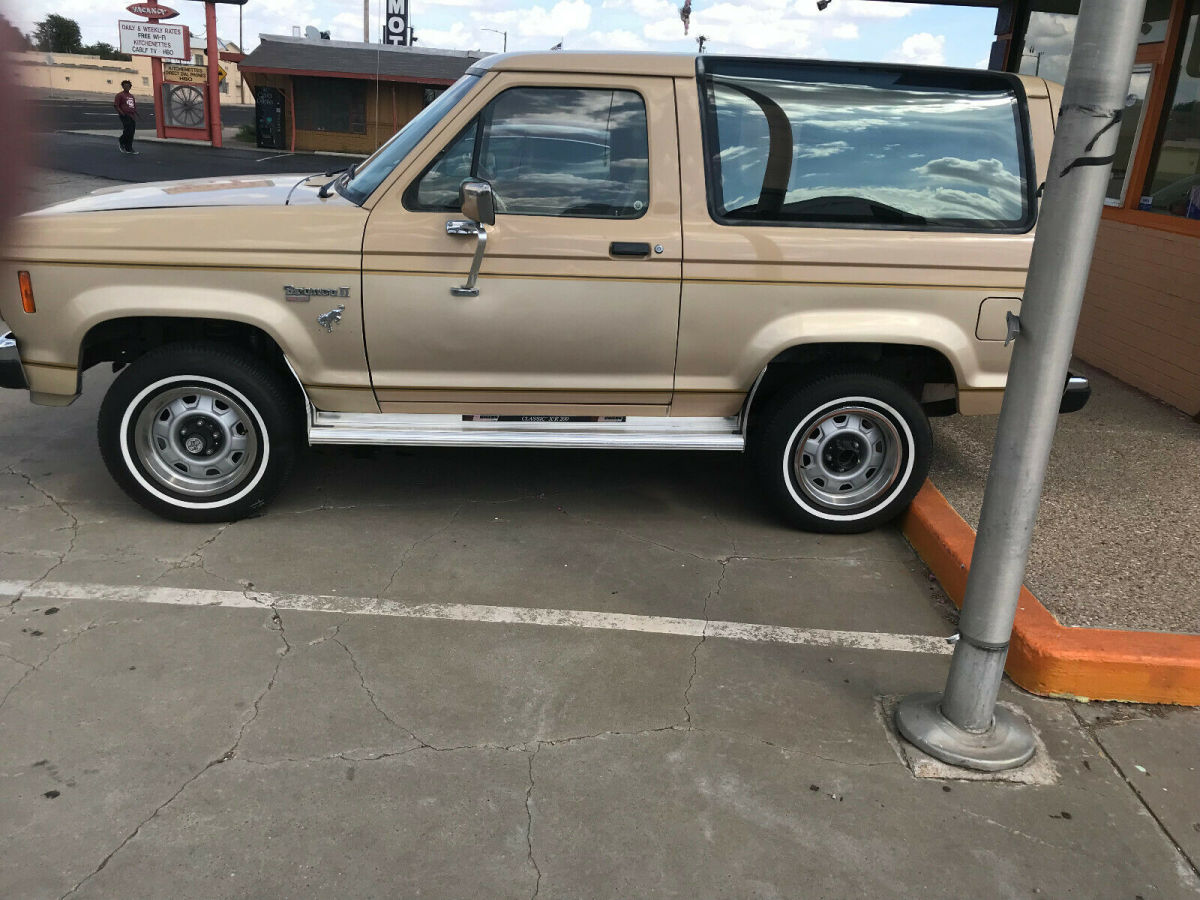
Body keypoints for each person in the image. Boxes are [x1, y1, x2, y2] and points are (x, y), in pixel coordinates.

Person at [113, 80, 139, 155]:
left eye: (128, 86)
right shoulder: (120, 95)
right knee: (128, 130)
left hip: (132, 116)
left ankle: (129, 148)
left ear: (130, 87)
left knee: (132, 132)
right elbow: (116, 105)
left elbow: (133, 105)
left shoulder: (131, 96)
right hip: (124, 115)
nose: (127, 87)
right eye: (125, 86)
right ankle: (122, 140)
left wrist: (136, 113)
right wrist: (122, 113)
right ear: (123, 86)